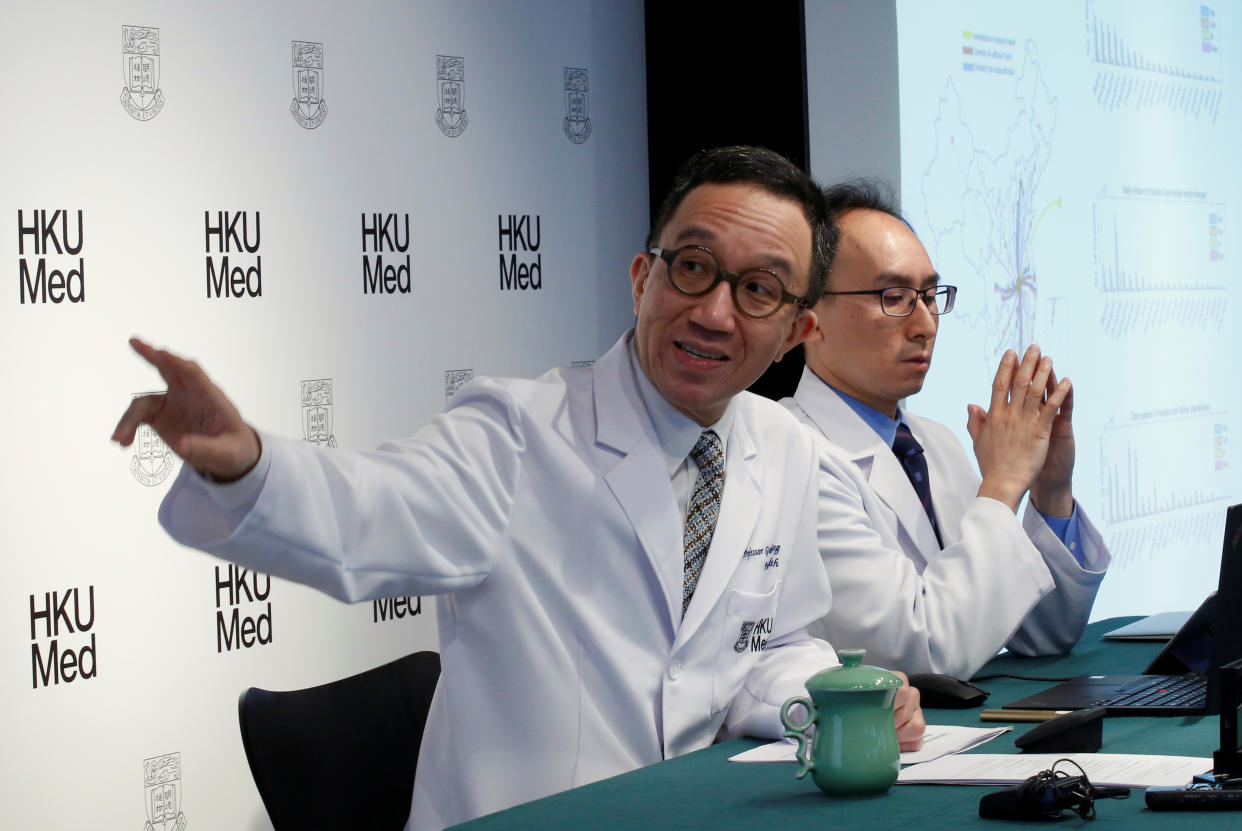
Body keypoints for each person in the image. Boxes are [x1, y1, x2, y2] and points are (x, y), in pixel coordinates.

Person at [111, 149, 925, 831]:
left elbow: (774, 644)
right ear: (643, 276)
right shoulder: (515, 429)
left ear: (796, 329)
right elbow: (365, 512)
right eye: (692, 267)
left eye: (757, 289)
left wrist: (833, 702)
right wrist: (245, 462)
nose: (713, 312)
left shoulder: (780, 446)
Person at [785, 180, 1110, 679]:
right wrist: (1001, 487)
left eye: (931, 295)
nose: (926, 324)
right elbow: (923, 652)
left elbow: (1043, 633)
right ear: (809, 315)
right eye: (893, 296)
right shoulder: (792, 453)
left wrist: (1050, 488)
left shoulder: (932, 443)